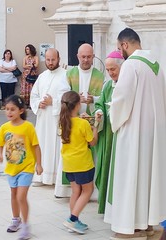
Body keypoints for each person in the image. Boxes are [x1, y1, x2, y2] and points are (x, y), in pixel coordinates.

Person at [104, 28, 166, 240]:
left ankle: (131, 227)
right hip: (153, 135)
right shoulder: (157, 66)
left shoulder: (131, 65)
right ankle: (148, 223)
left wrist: (111, 112)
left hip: (133, 133)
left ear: (125, 45)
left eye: (118, 47)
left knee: (131, 176)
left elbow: (122, 100)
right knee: (148, 178)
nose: (119, 52)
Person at [54, 43, 105, 197]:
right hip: (72, 121)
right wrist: (77, 98)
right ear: (78, 56)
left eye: (89, 57)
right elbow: (62, 95)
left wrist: (92, 99)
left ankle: (91, 192)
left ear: (93, 57)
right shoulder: (70, 73)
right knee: (72, 154)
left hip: (88, 121)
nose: (86, 60)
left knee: (89, 155)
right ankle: (68, 191)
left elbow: (103, 97)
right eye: (83, 57)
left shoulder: (99, 75)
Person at [0, 95, 43, 239]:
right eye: (7, 109)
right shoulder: (4, 128)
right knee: (14, 195)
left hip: (26, 167)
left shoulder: (28, 127)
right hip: (11, 169)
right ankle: (16, 219)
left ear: (21, 110)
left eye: (12, 109)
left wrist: (39, 164)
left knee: (21, 196)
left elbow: (36, 147)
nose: (9, 112)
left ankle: (26, 226)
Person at [60, 91, 102, 234]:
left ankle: (74, 220)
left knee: (75, 192)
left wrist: (82, 120)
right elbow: (93, 142)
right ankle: (72, 219)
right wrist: (95, 127)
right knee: (87, 191)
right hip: (83, 163)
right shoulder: (83, 123)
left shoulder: (62, 123)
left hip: (69, 164)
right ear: (78, 105)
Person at [30, 48, 70, 186]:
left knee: (55, 146)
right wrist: (38, 103)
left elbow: (68, 96)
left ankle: (54, 178)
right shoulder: (42, 76)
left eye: (53, 59)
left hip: (57, 118)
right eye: (48, 60)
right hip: (43, 119)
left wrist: (53, 102)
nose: (51, 62)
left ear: (58, 59)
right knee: (41, 144)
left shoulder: (65, 75)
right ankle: (40, 176)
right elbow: (34, 95)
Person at [94, 50, 124, 214]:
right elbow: (100, 104)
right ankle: (106, 205)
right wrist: (99, 113)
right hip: (109, 136)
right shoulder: (107, 85)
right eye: (108, 70)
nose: (111, 73)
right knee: (107, 167)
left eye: (113, 69)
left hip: (121, 134)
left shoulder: (127, 83)